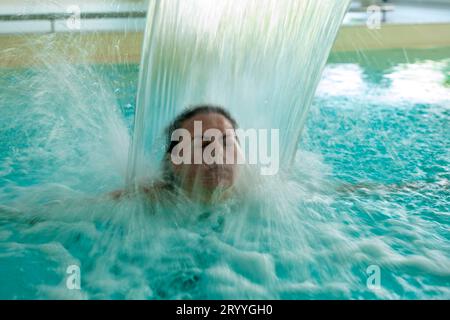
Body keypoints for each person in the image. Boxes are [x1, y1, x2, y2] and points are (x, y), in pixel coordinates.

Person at [111, 104, 242, 204]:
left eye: (226, 142)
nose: (217, 153)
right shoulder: (142, 201)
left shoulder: (256, 196)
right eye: (203, 145)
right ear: (174, 162)